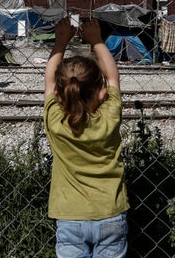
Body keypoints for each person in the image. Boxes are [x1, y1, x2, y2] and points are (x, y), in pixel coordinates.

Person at [43, 17, 129, 258]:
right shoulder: (109, 117)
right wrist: (97, 41)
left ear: (59, 93)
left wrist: (61, 41)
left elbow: (49, 82)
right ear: (101, 92)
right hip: (110, 212)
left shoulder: (56, 121)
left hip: (70, 216)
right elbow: (113, 78)